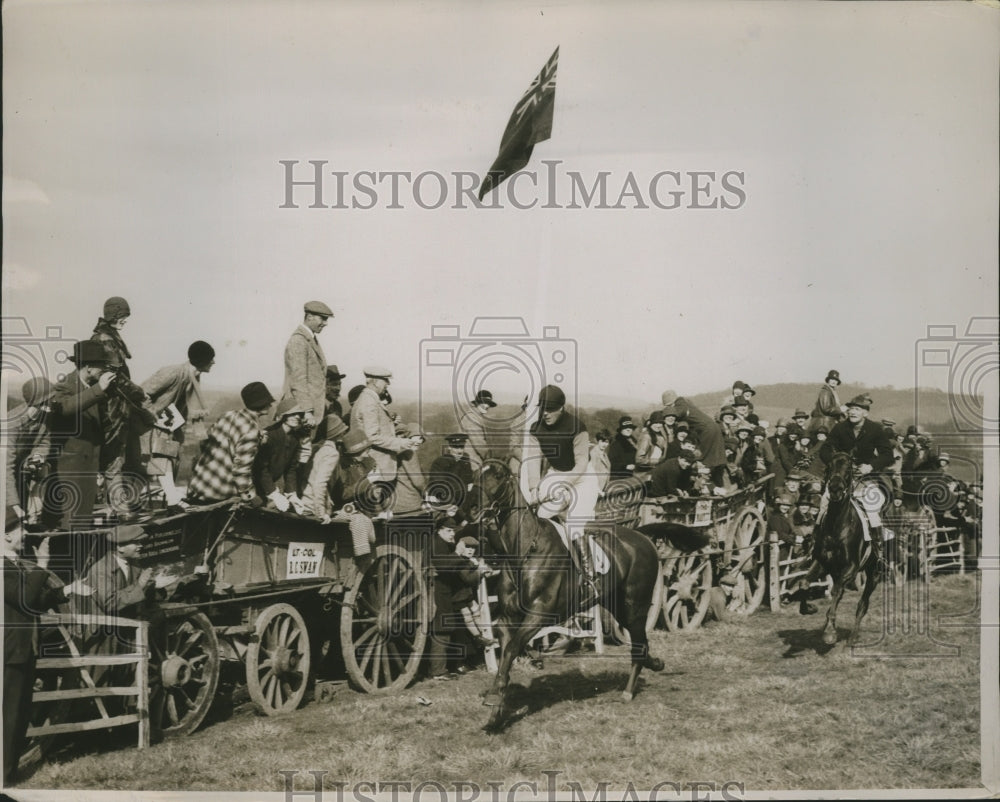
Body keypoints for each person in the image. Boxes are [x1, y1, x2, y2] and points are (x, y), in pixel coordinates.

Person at [3, 507, 93, 785]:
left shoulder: (13, 562)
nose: (26, 533)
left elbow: (37, 602)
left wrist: (67, 590)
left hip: (22, 652)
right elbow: (25, 599)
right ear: (6, 535)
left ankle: (8, 773)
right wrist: (42, 564)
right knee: (7, 718)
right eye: (20, 529)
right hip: (8, 655)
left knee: (17, 718)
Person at [522, 385, 601, 606]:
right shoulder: (536, 429)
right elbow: (532, 460)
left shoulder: (577, 427)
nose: (545, 413)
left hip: (582, 478)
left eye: (551, 409)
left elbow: (582, 463)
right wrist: (534, 488)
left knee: (573, 526)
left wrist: (566, 485)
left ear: (562, 408)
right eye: (543, 409)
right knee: (540, 521)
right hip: (556, 474)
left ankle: (590, 579)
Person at [90, 296, 150, 518]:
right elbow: (115, 377)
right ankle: (118, 506)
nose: (125, 320)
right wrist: (139, 392)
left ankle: (121, 504)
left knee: (120, 456)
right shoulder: (106, 338)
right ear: (113, 315)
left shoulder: (107, 336)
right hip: (113, 406)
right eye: (123, 316)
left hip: (118, 405)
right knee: (114, 456)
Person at [48, 340, 117, 528]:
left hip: (88, 470)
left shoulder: (93, 388)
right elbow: (65, 409)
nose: (104, 369)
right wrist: (98, 390)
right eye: (101, 365)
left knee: (82, 525)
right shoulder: (65, 386)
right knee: (66, 525)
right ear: (87, 367)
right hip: (69, 473)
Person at [818, 394, 895, 560]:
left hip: (865, 478)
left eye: (857, 409)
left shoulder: (875, 429)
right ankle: (815, 543)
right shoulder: (840, 428)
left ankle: (877, 547)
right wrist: (835, 462)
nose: (852, 412)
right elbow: (824, 449)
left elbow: (887, 455)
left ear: (865, 413)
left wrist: (871, 466)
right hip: (843, 478)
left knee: (872, 504)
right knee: (824, 501)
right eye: (851, 408)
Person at [140, 341, 215, 506]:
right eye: (211, 359)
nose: (213, 363)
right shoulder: (173, 373)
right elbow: (141, 392)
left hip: (166, 423)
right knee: (159, 459)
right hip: (147, 422)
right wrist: (153, 415)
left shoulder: (193, 377)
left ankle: (171, 498)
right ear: (203, 361)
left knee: (166, 457)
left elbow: (183, 405)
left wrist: (178, 429)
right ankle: (172, 497)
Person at [185, 382, 275, 505]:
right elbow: (241, 469)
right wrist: (251, 496)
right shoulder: (251, 429)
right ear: (262, 404)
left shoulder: (228, 415)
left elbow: (205, 443)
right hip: (219, 492)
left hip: (198, 486)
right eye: (268, 402)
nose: (270, 404)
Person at [426, 517, 485, 680]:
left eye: (454, 531)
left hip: (444, 591)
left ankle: (443, 668)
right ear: (440, 530)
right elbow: (443, 565)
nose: (452, 534)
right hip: (437, 591)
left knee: (446, 629)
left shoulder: (444, 543)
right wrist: (459, 554)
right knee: (441, 629)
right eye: (449, 530)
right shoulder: (436, 543)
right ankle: (438, 672)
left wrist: (473, 565)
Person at [348, 367, 421, 485]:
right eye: (385, 380)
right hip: (376, 465)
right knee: (374, 499)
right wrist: (400, 443)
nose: (388, 384)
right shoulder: (369, 402)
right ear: (375, 382)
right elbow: (372, 436)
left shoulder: (369, 399)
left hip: (376, 465)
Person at [5, 377, 58, 527]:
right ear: (40, 403)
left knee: (45, 468)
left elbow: (44, 441)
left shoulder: (44, 417)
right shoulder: (11, 423)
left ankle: (34, 516)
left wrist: (37, 457)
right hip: (6, 474)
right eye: (50, 400)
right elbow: (5, 469)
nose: (53, 403)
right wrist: (14, 506)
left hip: (21, 470)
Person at [281, 301, 333, 432]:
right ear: (309, 316)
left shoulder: (309, 339)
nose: (326, 323)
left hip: (304, 414)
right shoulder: (299, 341)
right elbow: (298, 381)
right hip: (299, 414)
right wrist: (307, 411)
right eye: (323, 318)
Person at [252, 398, 311, 512]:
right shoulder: (270, 435)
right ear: (283, 415)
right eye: (292, 414)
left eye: (299, 414)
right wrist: (273, 492)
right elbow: (260, 468)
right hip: (254, 484)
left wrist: (291, 494)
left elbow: (291, 469)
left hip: (267, 484)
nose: (297, 417)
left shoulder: (294, 438)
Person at [662, 391, 727, 489]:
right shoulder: (687, 402)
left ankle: (703, 486)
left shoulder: (680, 403)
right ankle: (717, 485)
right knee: (715, 459)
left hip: (707, 430)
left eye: (670, 405)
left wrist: (661, 415)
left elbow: (675, 413)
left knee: (703, 459)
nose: (670, 408)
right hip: (712, 428)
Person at [427, 433, 476, 511]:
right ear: (449, 447)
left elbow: (469, 479)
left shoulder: (465, 458)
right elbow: (438, 486)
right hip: (445, 500)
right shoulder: (440, 462)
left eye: (462, 447)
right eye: (456, 447)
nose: (460, 451)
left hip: (463, 499)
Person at [459, 390, 497, 471]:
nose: (487, 406)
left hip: (474, 458)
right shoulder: (472, 417)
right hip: (470, 460)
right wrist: (490, 459)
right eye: (484, 402)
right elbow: (478, 443)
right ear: (476, 403)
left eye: (489, 403)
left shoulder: (476, 416)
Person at [809, 370, 846, 434]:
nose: (834, 381)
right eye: (832, 379)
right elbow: (826, 408)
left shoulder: (832, 392)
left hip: (826, 423)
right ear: (828, 380)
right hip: (824, 425)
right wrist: (840, 409)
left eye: (836, 380)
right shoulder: (826, 392)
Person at [634, 410, 670, 477]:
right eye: (656, 422)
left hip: (654, 472)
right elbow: (639, 459)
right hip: (643, 474)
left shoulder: (659, 436)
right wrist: (657, 461)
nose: (658, 425)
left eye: (660, 423)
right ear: (650, 423)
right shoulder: (646, 437)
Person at [589, 429, 612, 496]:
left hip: (602, 487)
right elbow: (591, 474)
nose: (604, 444)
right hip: (594, 489)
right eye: (602, 441)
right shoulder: (593, 453)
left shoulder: (604, 454)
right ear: (598, 441)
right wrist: (597, 490)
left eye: (607, 442)